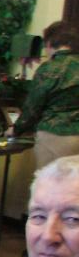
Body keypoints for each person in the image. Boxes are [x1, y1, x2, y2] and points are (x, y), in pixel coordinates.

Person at [9, 21, 79, 168]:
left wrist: (16, 129)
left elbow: (33, 107)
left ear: (50, 43)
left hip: (55, 136)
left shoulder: (50, 68)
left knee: (49, 185)